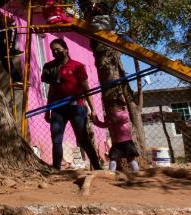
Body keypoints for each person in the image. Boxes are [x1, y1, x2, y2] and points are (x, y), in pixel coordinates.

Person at [42, 38, 103, 170]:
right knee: (56, 139)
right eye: (53, 51)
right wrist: (48, 110)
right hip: (58, 109)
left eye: (58, 50)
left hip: (77, 107)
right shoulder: (50, 67)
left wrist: (93, 110)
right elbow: (51, 91)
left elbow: (86, 88)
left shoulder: (78, 66)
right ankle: (56, 169)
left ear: (66, 50)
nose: (55, 53)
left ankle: (97, 167)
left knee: (83, 139)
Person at [92, 97, 141, 173]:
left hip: (126, 141)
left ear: (120, 107)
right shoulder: (111, 117)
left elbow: (119, 118)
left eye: (113, 106)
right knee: (113, 158)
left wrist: (111, 117)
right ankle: (111, 173)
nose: (111, 108)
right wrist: (95, 120)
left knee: (130, 158)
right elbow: (103, 125)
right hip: (116, 143)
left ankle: (136, 172)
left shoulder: (124, 114)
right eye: (110, 106)